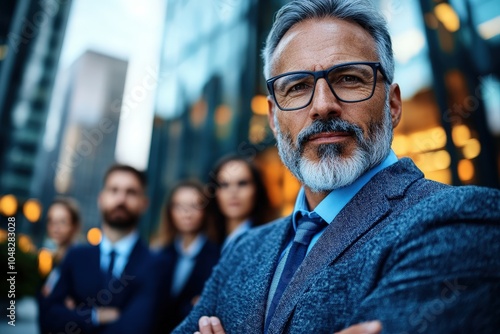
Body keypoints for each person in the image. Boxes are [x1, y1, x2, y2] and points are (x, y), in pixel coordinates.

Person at [172, 0, 500, 333]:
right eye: (298, 86)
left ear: (393, 104)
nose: (323, 106)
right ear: (273, 117)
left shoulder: (462, 217)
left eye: (347, 79)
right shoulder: (243, 250)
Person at [41, 164, 160, 334]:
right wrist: (95, 316)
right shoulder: (76, 257)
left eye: (131, 192)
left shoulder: (156, 264)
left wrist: (73, 315)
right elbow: (48, 318)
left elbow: (139, 327)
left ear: (144, 203)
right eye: (113, 190)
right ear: (101, 198)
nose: (121, 199)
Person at [154, 180, 221, 332]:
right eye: (179, 206)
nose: (187, 213)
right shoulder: (159, 254)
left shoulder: (218, 257)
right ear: (169, 211)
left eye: (194, 205)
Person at [209, 154, 275, 250]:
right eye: (224, 185)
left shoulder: (270, 242)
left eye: (242, 183)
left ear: (257, 189)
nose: (233, 192)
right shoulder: (208, 243)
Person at [41, 197, 82, 297]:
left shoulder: (78, 260)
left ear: (74, 225)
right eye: (51, 221)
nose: (55, 228)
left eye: (62, 222)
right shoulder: (49, 256)